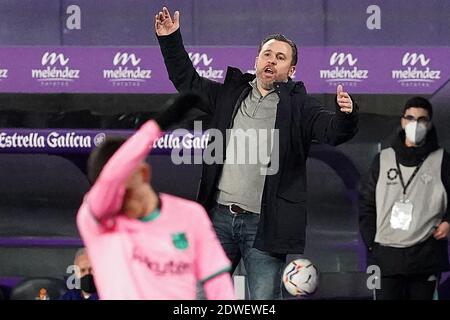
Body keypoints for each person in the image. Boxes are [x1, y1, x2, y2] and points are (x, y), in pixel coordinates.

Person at [155, 7, 359, 299]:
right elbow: (188, 81)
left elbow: (333, 131)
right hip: (218, 219)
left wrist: (347, 114)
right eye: (267, 54)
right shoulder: (229, 94)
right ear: (256, 60)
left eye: (280, 58)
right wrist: (170, 39)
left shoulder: (301, 108)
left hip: (264, 226)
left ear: (291, 70)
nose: (271, 61)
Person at [76, 114, 235, 300]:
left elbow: (218, 284)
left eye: (125, 193)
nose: (117, 202)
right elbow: (108, 184)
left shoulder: (191, 215)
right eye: (111, 195)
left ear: (143, 173)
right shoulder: (100, 223)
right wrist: (154, 128)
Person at [359, 97, 450, 300]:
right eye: (410, 118)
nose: (415, 124)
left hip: (425, 255)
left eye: (421, 119)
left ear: (430, 123)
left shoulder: (443, 161)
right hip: (386, 256)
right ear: (402, 121)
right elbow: (366, 204)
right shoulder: (382, 159)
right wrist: (372, 243)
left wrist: (448, 222)